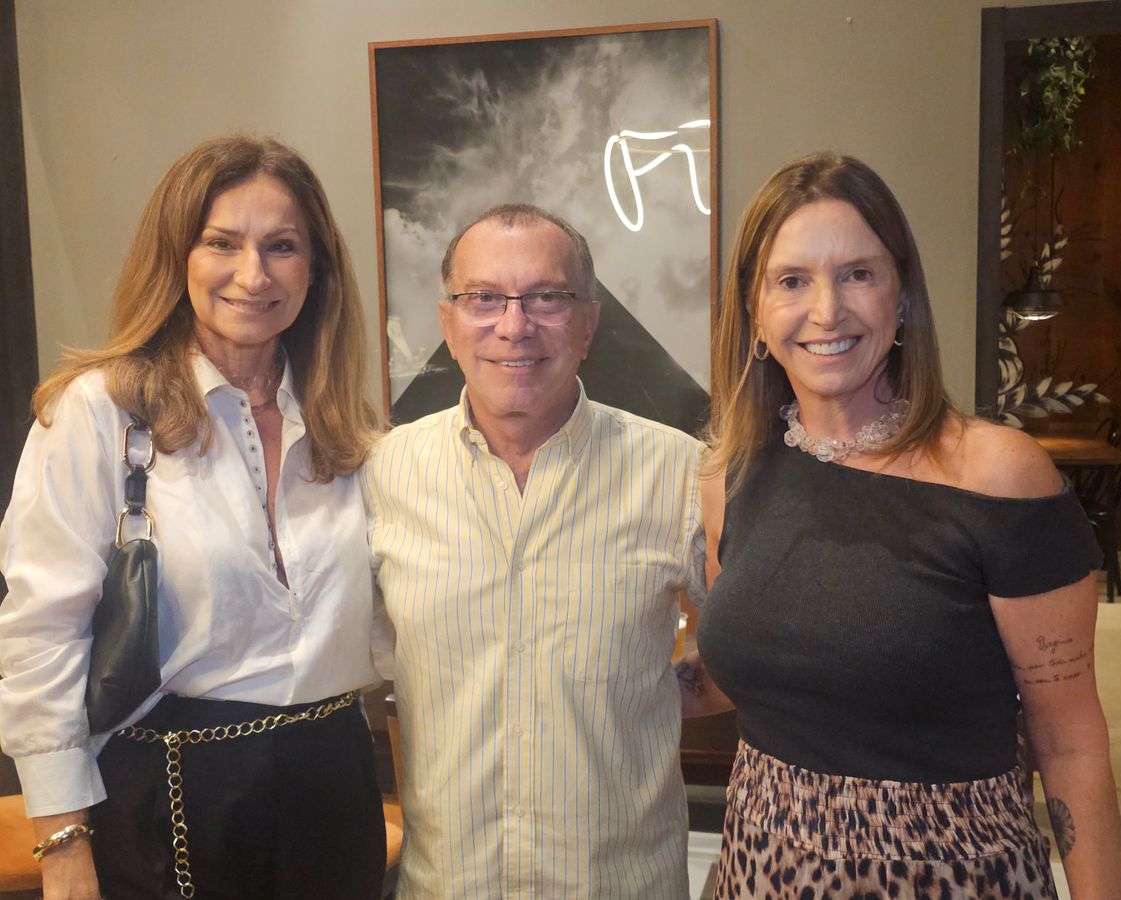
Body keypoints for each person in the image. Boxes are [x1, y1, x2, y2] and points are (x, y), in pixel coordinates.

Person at [682, 153, 1121, 898]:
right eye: (792, 281)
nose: (827, 311)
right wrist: (616, 677)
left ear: (903, 297)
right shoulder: (731, 471)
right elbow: (749, 666)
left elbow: (1069, 738)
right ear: (754, 312)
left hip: (950, 875)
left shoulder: (997, 477)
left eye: (858, 273)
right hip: (758, 871)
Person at [0, 136, 389, 900]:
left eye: (282, 246)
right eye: (223, 243)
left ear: (317, 270)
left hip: (335, 789)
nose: (254, 275)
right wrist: (65, 846)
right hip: (168, 800)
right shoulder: (99, 412)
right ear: (178, 255)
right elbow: (41, 633)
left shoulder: (349, 427)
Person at [364, 204, 705, 898]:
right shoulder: (380, 475)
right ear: (447, 321)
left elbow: (763, 649)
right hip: (446, 883)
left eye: (547, 298)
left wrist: (644, 694)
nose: (514, 326)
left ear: (589, 322)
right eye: (484, 298)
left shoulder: (679, 475)